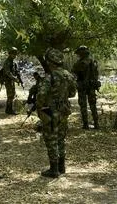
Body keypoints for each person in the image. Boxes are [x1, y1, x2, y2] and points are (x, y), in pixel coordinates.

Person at [36, 48, 77, 178]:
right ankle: (61, 166)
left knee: (51, 139)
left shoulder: (50, 77)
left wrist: (40, 107)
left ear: (50, 62)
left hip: (51, 111)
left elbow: (41, 95)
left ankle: (54, 169)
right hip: (64, 111)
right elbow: (72, 93)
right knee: (61, 138)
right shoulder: (68, 75)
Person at [72, 46, 101, 129]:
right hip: (91, 86)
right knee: (93, 105)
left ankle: (85, 125)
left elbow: (73, 73)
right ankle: (96, 124)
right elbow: (96, 75)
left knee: (83, 106)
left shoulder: (79, 63)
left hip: (82, 86)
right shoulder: (93, 62)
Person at [1, 47, 21, 115]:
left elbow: (17, 71)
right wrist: (15, 79)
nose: (15, 56)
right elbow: (8, 72)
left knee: (12, 95)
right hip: (8, 80)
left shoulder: (14, 62)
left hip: (11, 81)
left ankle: (9, 109)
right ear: (10, 54)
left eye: (15, 54)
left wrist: (19, 78)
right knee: (10, 95)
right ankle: (8, 110)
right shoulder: (7, 62)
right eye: (13, 54)